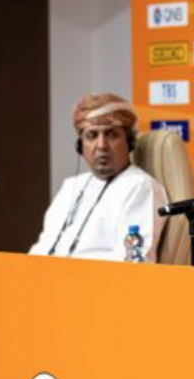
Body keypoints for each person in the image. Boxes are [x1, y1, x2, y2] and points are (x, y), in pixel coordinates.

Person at [30, 93, 169, 262]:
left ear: (129, 142)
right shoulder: (71, 186)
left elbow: (133, 262)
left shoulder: (141, 187)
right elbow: (43, 247)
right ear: (80, 145)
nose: (101, 145)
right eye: (92, 135)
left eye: (111, 135)